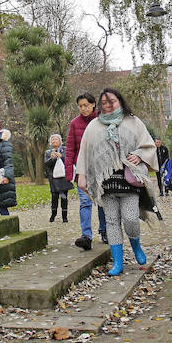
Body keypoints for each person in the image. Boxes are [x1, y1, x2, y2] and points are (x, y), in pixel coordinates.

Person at [77, 88, 158, 276]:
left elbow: (148, 146)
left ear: (120, 101)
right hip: (105, 183)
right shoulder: (94, 126)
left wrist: (139, 155)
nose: (108, 105)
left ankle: (136, 245)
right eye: (103, 103)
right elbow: (85, 152)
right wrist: (82, 175)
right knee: (112, 222)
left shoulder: (133, 122)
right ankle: (118, 262)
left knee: (130, 218)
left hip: (129, 181)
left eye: (111, 101)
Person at [67, 92, 108, 251]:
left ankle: (104, 230)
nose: (83, 108)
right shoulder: (74, 123)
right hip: (82, 170)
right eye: (80, 106)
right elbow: (70, 149)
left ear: (93, 105)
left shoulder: (102, 121)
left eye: (86, 105)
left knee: (102, 202)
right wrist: (69, 171)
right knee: (85, 202)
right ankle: (86, 236)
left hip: (101, 168)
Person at [44, 133, 72, 223]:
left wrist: (62, 156)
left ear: (60, 141)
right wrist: (52, 159)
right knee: (54, 196)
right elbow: (46, 165)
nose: (54, 141)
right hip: (53, 177)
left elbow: (69, 161)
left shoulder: (65, 150)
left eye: (56, 139)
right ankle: (53, 214)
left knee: (64, 196)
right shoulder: (48, 152)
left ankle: (64, 216)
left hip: (63, 177)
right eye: (52, 140)